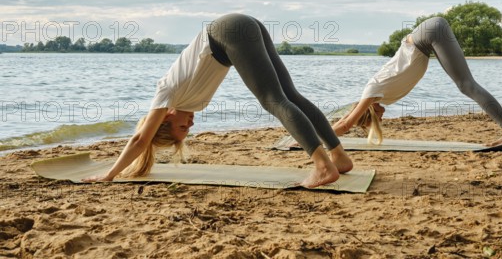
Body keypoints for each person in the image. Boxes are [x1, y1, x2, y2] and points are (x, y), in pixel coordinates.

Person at [84, 13, 353, 188]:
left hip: (228, 31)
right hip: (240, 27)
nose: (190, 125)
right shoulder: (193, 103)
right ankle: (338, 156)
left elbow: (140, 140)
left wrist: (110, 173)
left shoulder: (165, 92)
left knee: (272, 100)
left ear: (166, 118)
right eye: (187, 131)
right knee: (289, 96)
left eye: (181, 128)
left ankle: (322, 166)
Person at [333, 17, 502, 150]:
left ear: (371, 113)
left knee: (466, 85)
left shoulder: (372, 91)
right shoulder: (381, 95)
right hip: (427, 35)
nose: (382, 120)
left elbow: (345, 124)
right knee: (465, 85)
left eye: (375, 120)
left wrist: (309, 141)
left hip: (429, 33)